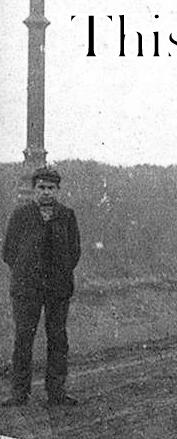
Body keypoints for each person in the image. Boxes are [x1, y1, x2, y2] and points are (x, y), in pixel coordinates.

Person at [2, 167, 81, 407]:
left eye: (51, 188)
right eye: (41, 187)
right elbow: (8, 252)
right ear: (34, 189)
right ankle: (19, 394)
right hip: (27, 288)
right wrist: (26, 271)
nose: (46, 192)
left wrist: (59, 271)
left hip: (57, 288)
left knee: (58, 338)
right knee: (24, 339)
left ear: (58, 190)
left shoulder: (67, 215)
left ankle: (56, 393)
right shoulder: (20, 215)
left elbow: (74, 251)